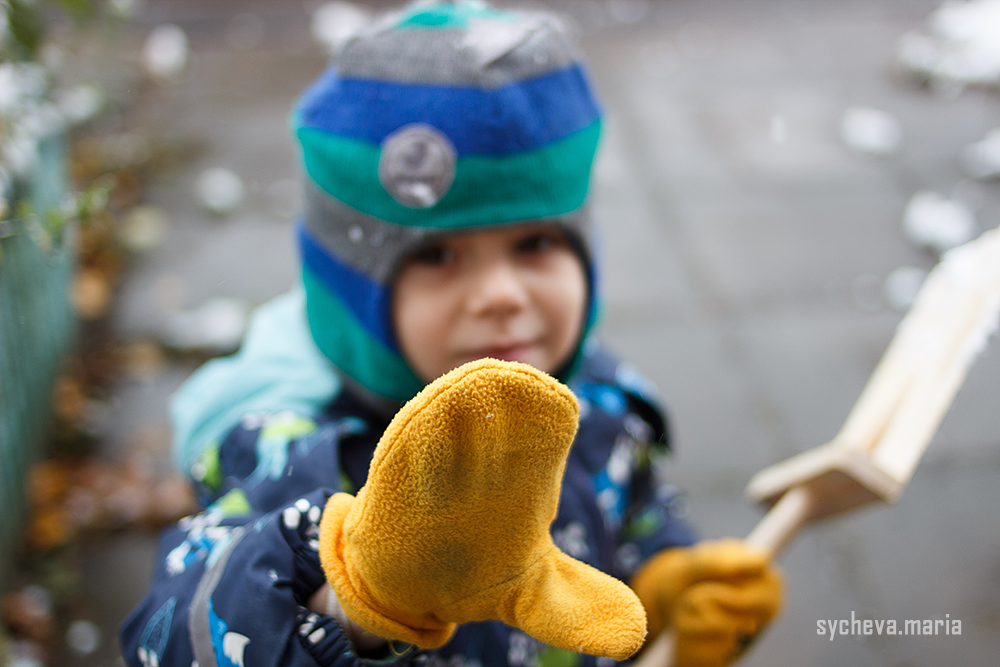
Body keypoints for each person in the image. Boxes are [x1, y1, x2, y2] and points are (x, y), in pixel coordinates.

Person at [119, 2, 782, 667]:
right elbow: (176, 637)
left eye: (537, 242)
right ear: (356, 287)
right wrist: (361, 599)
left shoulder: (591, 400)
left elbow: (630, 510)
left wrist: (660, 588)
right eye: (439, 256)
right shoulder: (293, 454)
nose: (501, 294)